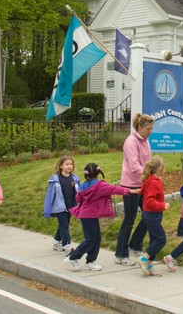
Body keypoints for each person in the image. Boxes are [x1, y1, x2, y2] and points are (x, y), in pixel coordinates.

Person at [64, 163, 137, 272]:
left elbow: (78, 198)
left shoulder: (83, 185)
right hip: (90, 215)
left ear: (86, 174)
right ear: (98, 173)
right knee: (91, 239)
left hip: (86, 215)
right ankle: (72, 257)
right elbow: (114, 189)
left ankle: (90, 261)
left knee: (96, 238)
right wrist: (130, 191)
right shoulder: (100, 185)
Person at [115, 113, 154, 266]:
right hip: (131, 186)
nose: (150, 131)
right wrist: (150, 175)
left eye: (152, 128)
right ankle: (121, 254)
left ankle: (135, 245)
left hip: (143, 184)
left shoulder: (145, 141)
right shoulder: (131, 142)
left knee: (149, 215)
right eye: (148, 128)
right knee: (129, 220)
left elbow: (147, 162)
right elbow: (134, 166)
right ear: (139, 127)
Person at [138, 156, 171, 276]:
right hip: (152, 214)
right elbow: (149, 200)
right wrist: (162, 205)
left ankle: (150, 266)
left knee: (154, 240)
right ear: (160, 169)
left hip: (152, 215)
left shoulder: (151, 181)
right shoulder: (153, 183)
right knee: (161, 239)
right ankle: (143, 259)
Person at [43, 155, 80, 253]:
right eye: (67, 164)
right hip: (60, 207)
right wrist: (48, 208)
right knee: (64, 227)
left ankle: (56, 242)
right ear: (61, 166)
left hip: (70, 206)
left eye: (71, 164)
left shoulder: (74, 178)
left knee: (64, 225)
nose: (69, 166)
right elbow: (50, 195)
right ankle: (67, 246)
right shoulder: (56, 179)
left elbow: (78, 192)